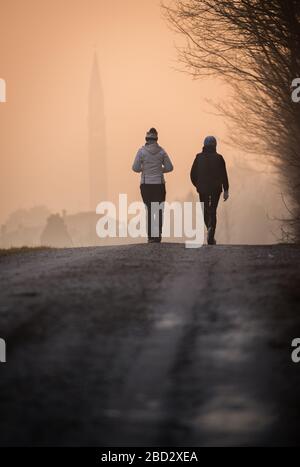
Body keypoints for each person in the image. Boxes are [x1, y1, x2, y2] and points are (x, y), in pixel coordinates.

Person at [132, 128, 174, 243]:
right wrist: (160, 171)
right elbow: (170, 167)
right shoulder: (162, 152)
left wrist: (144, 169)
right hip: (159, 185)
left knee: (150, 210)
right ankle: (158, 235)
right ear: (156, 139)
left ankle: (151, 237)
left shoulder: (141, 151)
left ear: (147, 139)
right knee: (159, 209)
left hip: (146, 185)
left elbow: (135, 168)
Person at [190, 136, 229, 245]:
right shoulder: (219, 158)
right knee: (213, 210)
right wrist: (226, 190)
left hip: (202, 189)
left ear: (204, 145)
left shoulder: (198, 158)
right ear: (215, 145)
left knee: (205, 210)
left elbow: (192, 174)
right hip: (216, 189)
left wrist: (197, 185)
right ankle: (211, 234)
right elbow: (224, 175)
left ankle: (209, 227)